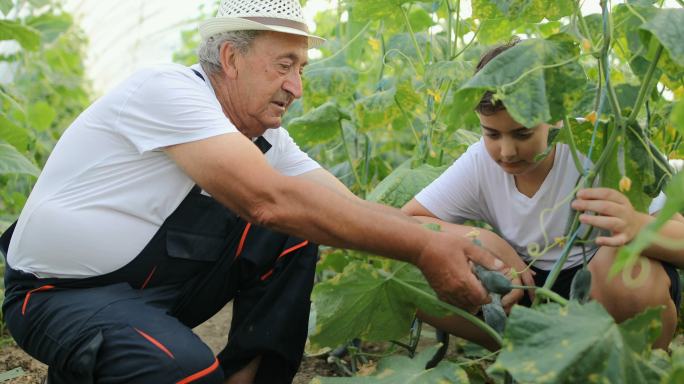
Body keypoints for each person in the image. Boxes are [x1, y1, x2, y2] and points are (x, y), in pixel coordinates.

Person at [0, 1, 505, 383]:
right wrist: (423, 245)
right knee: (187, 372)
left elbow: (345, 209)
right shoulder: (165, 90)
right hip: (58, 296)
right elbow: (265, 201)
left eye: (301, 69)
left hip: (154, 297)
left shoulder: (265, 140)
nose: (297, 87)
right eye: (284, 65)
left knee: (301, 227)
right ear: (230, 58)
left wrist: (451, 237)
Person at [402, 38, 684, 351]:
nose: (506, 151)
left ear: (558, 114)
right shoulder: (479, 162)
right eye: (491, 134)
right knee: (410, 275)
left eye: (523, 133)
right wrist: (481, 240)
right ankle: (527, 357)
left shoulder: (602, 146)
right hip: (530, 287)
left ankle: (636, 365)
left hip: (600, 291)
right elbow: (408, 223)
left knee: (620, 267)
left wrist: (635, 226)